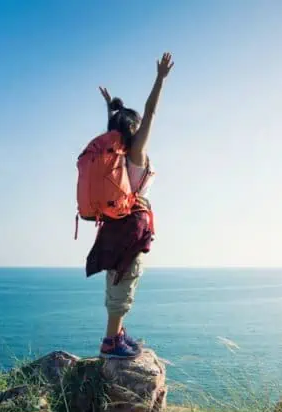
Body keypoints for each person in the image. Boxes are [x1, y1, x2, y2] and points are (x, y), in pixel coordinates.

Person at [86, 52, 174, 359]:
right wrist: (160, 79)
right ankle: (112, 342)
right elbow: (149, 113)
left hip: (113, 221)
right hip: (130, 225)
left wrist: (111, 107)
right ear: (133, 129)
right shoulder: (135, 153)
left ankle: (117, 332)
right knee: (127, 276)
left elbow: (115, 127)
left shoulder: (117, 154)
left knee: (116, 277)